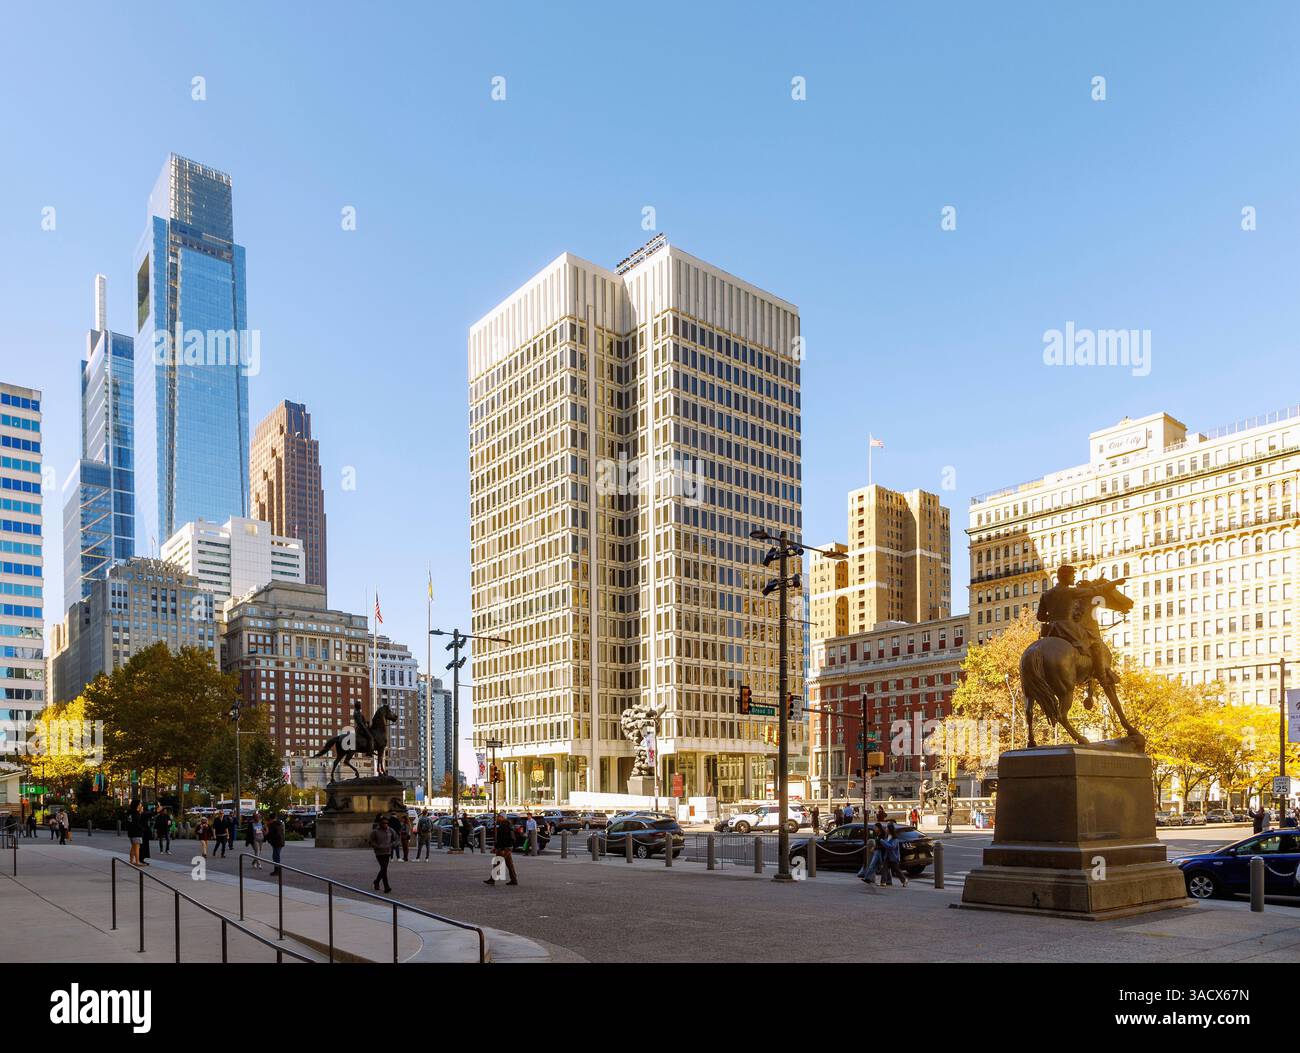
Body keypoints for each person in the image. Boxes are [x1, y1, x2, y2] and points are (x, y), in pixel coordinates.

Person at [485, 812, 518, 886]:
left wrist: (500, 848)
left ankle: (492, 880)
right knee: (509, 864)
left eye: (498, 816)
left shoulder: (504, 826)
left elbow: (502, 839)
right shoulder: (508, 825)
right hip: (508, 847)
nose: (497, 818)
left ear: (502, 817)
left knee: (497, 863)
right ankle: (514, 880)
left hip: (504, 848)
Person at [369, 816, 394, 893]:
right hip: (379, 853)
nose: (385, 824)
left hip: (388, 852)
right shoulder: (375, 831)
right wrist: (377, 846)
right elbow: (371, 841)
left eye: (386, 823)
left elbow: (396, 838)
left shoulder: (390, 830)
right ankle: (386, 886)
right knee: (384, 868)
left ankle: (376, 881)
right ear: (380, 823)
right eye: (383, 823)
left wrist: (393, 844)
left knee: (384, 869)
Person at [882, 822, 908, 886]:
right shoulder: (886, 837)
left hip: (893, 857)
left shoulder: (895, 839)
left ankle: (904, 880)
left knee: (896, 870)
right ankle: (883, 881)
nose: (885, 829)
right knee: (884, 868)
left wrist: (882, 842)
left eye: (887, 828)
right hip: (887, 856)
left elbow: (891, 847)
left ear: (890, 829)